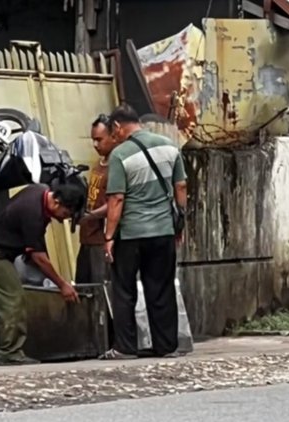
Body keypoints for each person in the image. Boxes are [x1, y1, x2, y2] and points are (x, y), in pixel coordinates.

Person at [0, 183, 84, 365]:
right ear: (57, 202)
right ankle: (10, 352)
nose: (63, 220)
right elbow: (39, 258)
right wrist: (62, 285)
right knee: (13, 298)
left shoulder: (40, 191)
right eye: (66, 214)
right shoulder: (33, 213)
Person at [101, 104, 187, 360]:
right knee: (161, 288)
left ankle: (125, 348)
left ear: (117, 127)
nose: (113, 137)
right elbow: (180, 186)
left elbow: (116, 199)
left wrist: (109, 237)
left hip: (131, 234)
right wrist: (179, 223)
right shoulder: (170, 146)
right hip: (162, 231)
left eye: (112, 132)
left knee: (124, 290)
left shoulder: (120, 155)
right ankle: (166, 346)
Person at [75, 114, 118, 285]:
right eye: (93, 139)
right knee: (83, 287)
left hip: (101, 241)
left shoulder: (117, 165)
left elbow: (115, 203)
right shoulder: (100, 163)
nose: (95, 144)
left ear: (113, 136)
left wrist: (91, 215)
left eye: (99, 139)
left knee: (101, 289)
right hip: (87, 238)